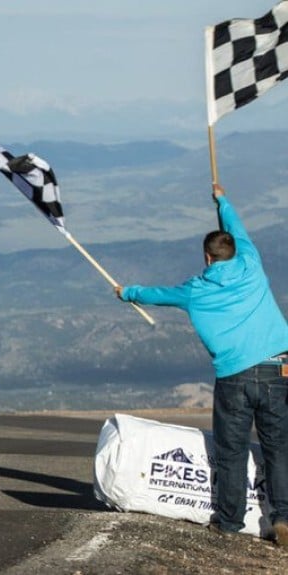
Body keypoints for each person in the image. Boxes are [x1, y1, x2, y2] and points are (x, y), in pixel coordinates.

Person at [114, 182, 288, 546]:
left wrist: (126, 292)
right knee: (279, 447)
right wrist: (223, 199)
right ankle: (284, 516)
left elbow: (156, 295)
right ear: (234, 251)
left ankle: (229, 522)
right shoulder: (251, 263)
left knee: (231, 451)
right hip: (278, 368)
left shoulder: (195, 290)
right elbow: (237, 228)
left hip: (234, 377)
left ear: (207, 258)